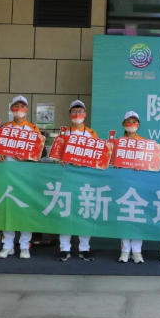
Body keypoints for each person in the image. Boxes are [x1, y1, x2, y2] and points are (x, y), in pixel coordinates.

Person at [0, 96, 42, 260]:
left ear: (27, 109)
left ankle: (24, 246)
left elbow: (39, 152)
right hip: (7, 174)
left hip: (25, 177)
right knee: (8, 210)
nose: (19, 109)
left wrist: (27, 157)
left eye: (22, 106)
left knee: (24, 211)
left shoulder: (33, 129)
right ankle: (7, 246)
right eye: (16, 105)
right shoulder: (4, 127)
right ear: (11, 108)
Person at [57, 100, 97, 263]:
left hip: (85, 179)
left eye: (80, 111)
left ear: (85, 114)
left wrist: (84, 162)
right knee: (65, 212)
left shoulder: (92, 134)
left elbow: (97, 157)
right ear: (69, 115)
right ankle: (64, 248)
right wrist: (60, 159)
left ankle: (84, 248)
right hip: (66, 179)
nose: (77, 114)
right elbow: (57, 155)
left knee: (84, 212)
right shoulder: (63, 134)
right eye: (74, 112)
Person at [118, 111, 147, 264]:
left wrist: (142, 166)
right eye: (128, 122)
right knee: (124, 217)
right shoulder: (117, 142)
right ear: (123, 124)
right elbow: (110, 162)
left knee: (137, 218)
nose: (131, 125)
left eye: (134, 122)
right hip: (123, 185)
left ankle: (137, 251)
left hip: (139, 185)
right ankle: (124, 250)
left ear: (138, 125)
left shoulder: (144, 143)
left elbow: (150, 163)